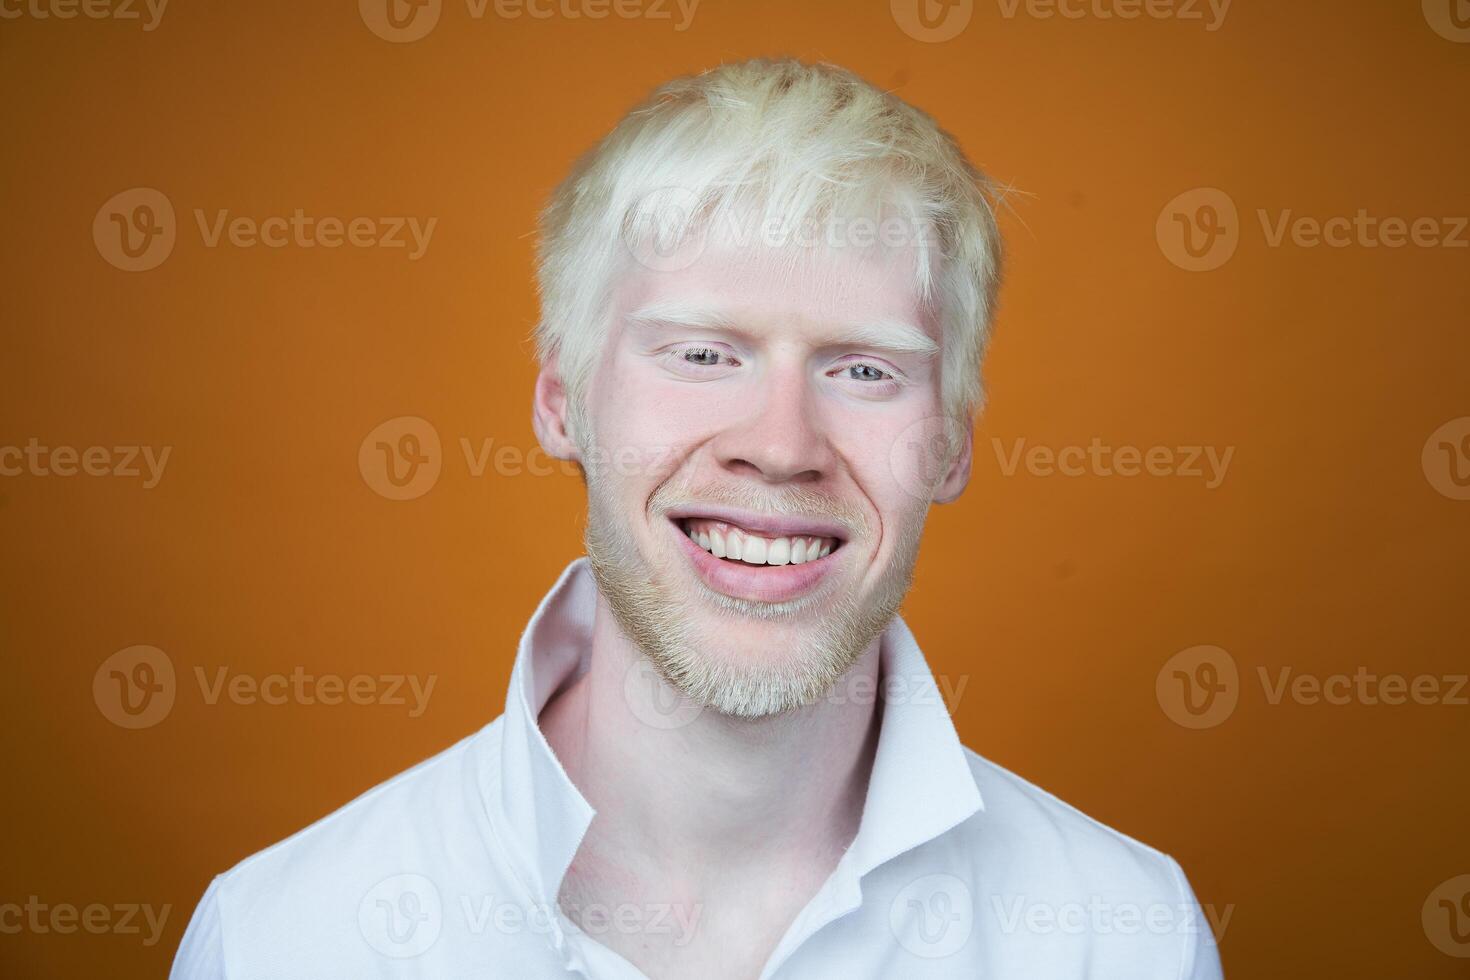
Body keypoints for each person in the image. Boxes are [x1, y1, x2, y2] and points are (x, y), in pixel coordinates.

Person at [171, 58, 1224, 979]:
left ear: (948, 444)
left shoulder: (1123, 939)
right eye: (703, 353)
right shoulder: (284, 941)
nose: (779, 442)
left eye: (862, 368)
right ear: (561, 401)